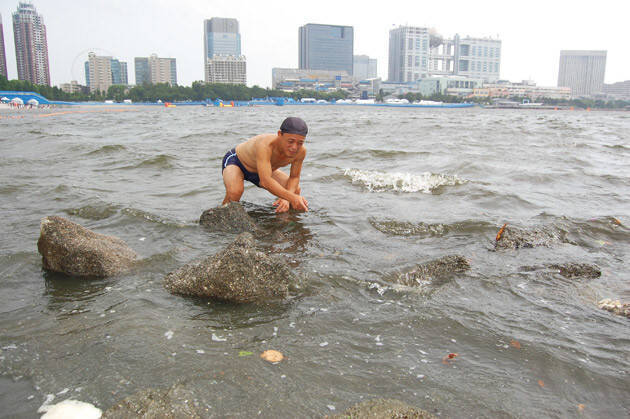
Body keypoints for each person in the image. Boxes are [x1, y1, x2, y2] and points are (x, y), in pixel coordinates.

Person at [221, 117, 309, 213]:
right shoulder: (265, 145)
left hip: (263, 170)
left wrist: (287, 198)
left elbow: (294, 177)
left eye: (300, 143)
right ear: (279, 134)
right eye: (290, 141)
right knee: (235, 191)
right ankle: (220, 217)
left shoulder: (301, 152)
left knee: (294, 190)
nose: (294, 147)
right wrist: (292, 197)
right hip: (237, 162)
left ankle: (283, 222)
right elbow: (265, 181)